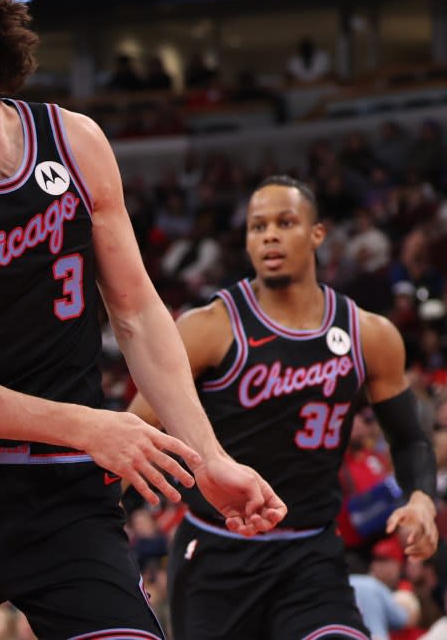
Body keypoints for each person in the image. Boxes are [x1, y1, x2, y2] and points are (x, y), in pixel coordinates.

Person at [0, 0, 286, 639]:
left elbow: (137, 311)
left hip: (64, 498)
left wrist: (210, 458)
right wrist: (86, 427)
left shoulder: (74, 142)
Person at [129, 176, 439, 640]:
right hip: (217, 556)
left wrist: (421, 497)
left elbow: (410, 437)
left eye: (285, 222)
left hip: (311, 556)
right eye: (257, 226)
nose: (269, 234)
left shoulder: (368, 335)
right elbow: (133, 431)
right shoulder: (208, 328)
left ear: (318, 234)